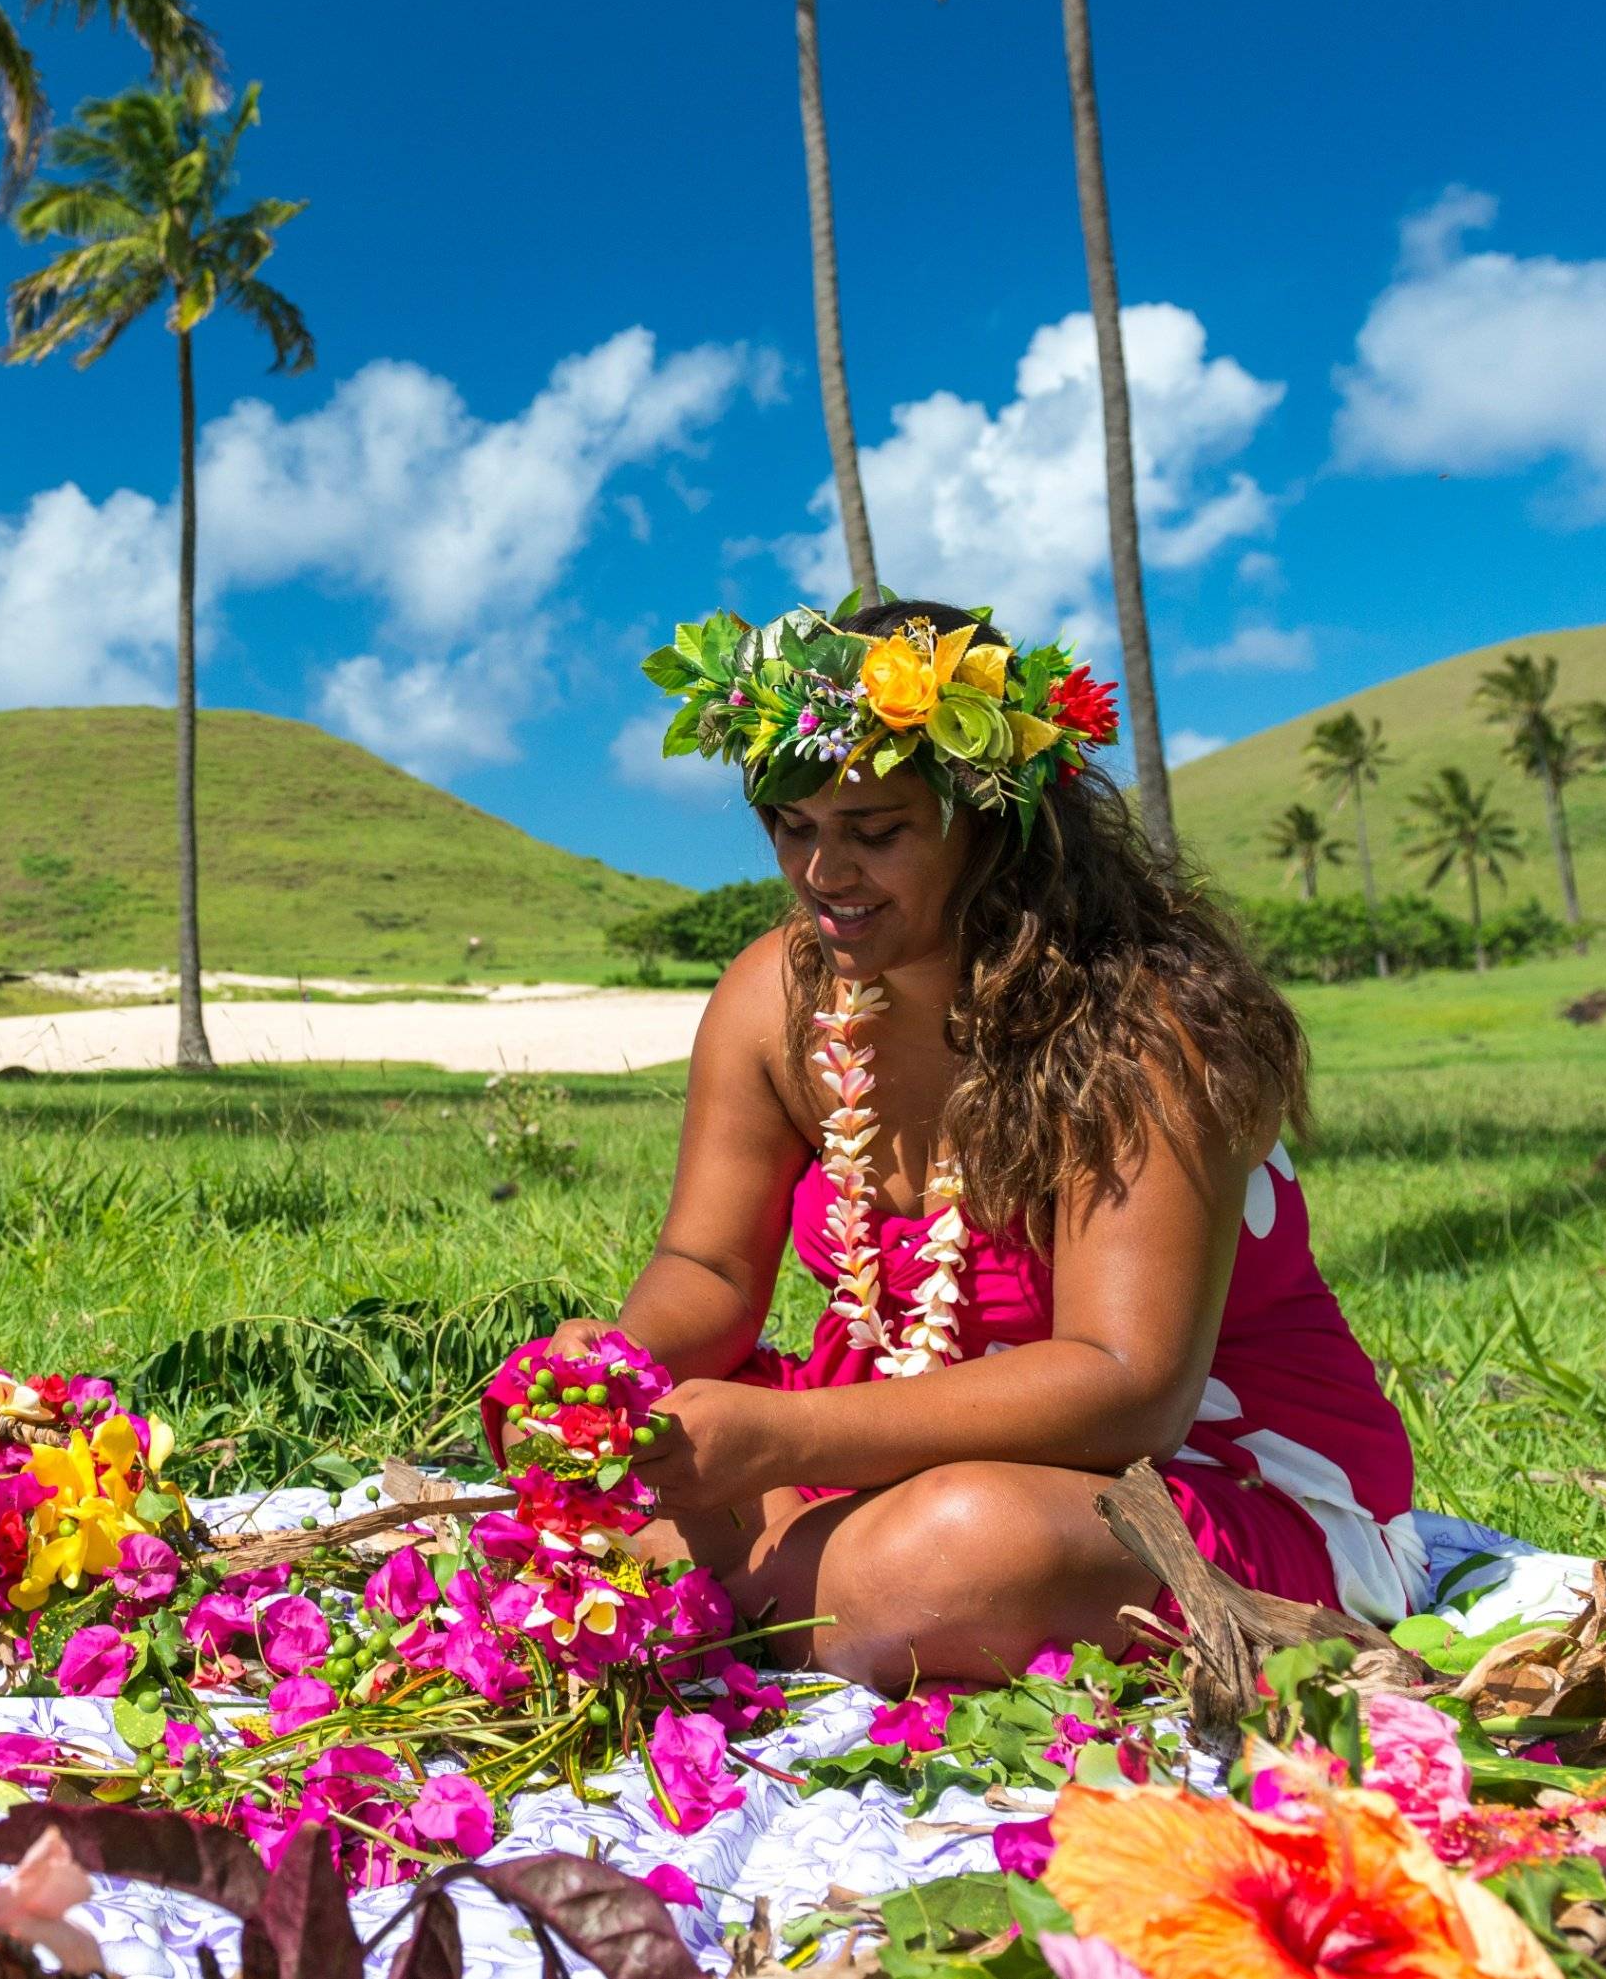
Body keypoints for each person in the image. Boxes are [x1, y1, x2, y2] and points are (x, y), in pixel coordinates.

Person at [566, 594, 1416, 1696]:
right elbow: (712, 1268)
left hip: (1180, 1480)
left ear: (999, 826)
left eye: (877, 833)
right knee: (625, 1484)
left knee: (957, 1552)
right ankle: (793, 1589)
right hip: (877, 1452)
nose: (826, 874)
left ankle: (756, 1587)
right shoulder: (771, 999)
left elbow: (1128, 1388)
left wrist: (777, 1445)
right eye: (795, 827)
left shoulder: (1138, 1028)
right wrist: (611, 1380)